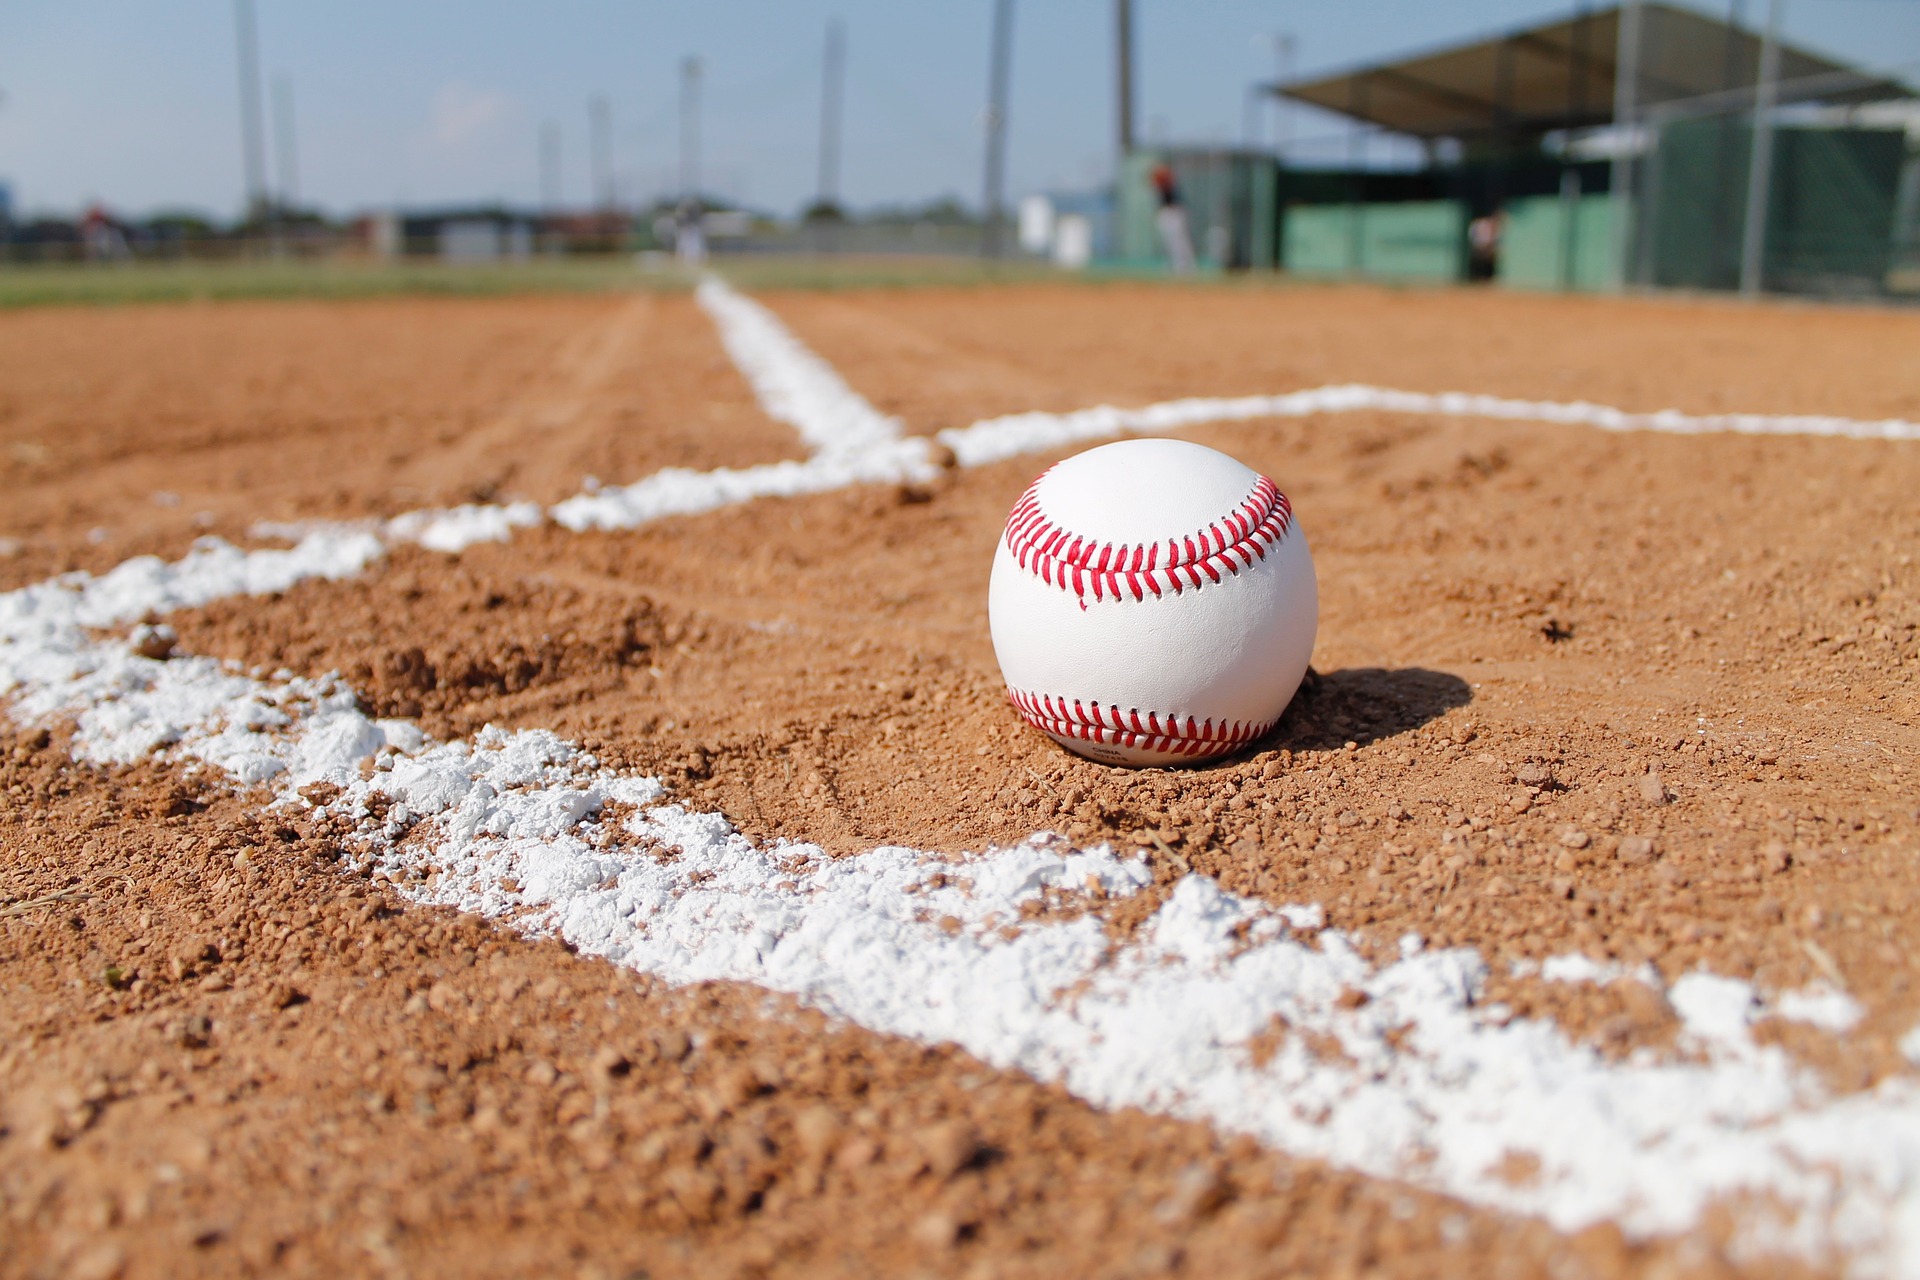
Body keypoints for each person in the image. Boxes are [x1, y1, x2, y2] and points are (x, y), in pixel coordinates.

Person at [1151, 163, 1195, 274]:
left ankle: (1186, 267)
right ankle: (1173, 265)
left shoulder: (1171, 184)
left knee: (1180, 241)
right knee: (1168, 242)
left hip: (1174, 212)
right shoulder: (1160, 187)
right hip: (1165, 213)